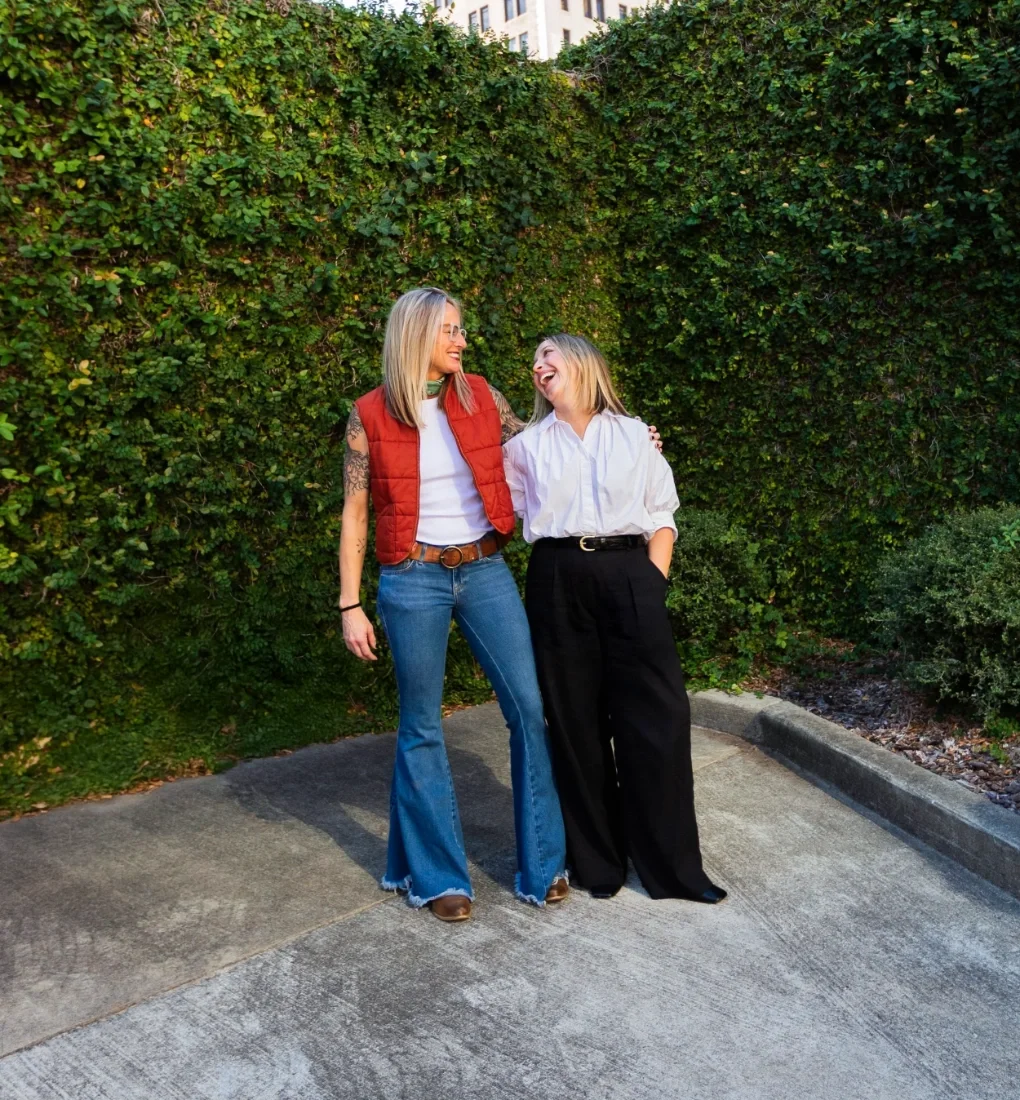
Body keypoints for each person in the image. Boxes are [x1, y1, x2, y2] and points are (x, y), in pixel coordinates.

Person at [338, 287, 568, 922]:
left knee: (527, 705)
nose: (462, 341)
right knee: (421, 722)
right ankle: (440, 877)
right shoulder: (368, 415)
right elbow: (355, 514)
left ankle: (544, 862)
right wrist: (348, 603)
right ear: (415, 335)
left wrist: (626, 439)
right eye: (450, 331)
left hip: (484, 568)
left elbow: (545, 449)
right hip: (411, 576)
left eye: (462, 330)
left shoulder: (482, 396)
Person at [503, 334, 727, 904]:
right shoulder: (525, 447)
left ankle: (673, 869)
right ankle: (598, 865)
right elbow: (510, 512)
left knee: (658, 719)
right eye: (536, 360)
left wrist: (652, 581)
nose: (539, 364)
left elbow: (661, 512)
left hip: (631, 573)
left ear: (584, 364)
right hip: (557, 578)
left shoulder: (634, 434)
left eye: (550, 354)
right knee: (575, 724)